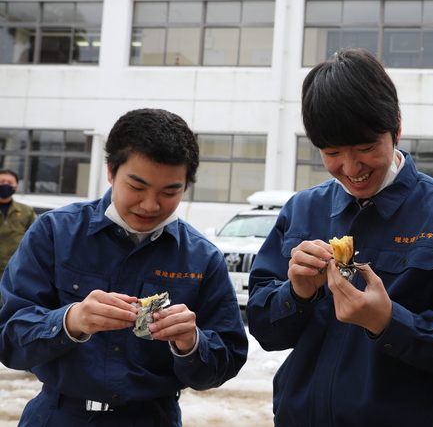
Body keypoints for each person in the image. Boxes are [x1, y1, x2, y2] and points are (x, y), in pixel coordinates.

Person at [247, 48, 433, 426]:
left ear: (395, 127)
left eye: (366, 148)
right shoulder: (302, 211)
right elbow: (265, 331)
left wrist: (390, 321)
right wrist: (296, 294)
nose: (351, 168)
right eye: (331, 152)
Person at [0, 109, 248, 426]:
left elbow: (226, 362)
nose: (150, 205)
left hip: (152, 417)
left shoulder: (202, 258)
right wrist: (71, 320)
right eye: (137, 186)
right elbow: (8, 339)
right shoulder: (55, 233)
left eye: (170, 192)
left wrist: (191, 343)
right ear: (111, 170)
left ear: (186, 185)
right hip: (60, 414)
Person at [0, 168, 37, 276]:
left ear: (16, 186)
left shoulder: (26, 211)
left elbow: (36, 237)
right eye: (2, 182)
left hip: (16, 267)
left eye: (10, 183)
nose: (5, 185)